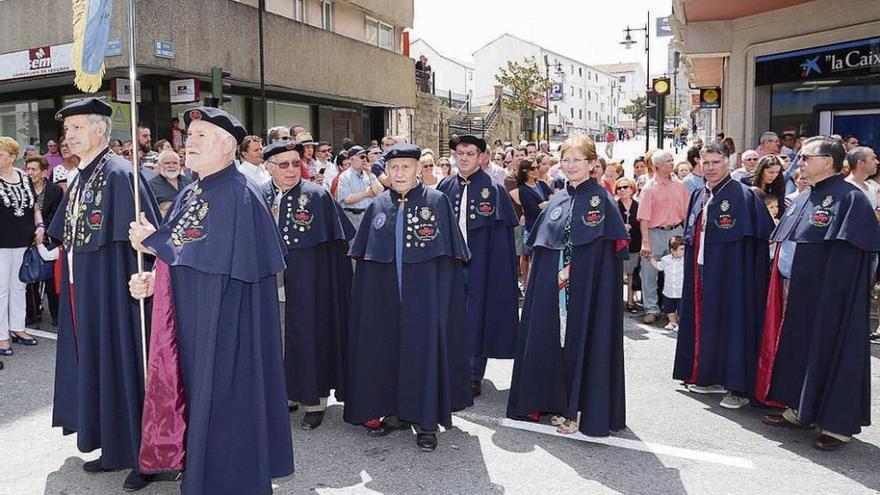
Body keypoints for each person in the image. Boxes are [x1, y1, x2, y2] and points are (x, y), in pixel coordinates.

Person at [127, 106, 294, 492]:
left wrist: (155, 242)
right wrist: (154, 278)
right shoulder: (193, 189)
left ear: (228, 146)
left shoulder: (240, 194)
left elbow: (213, 263)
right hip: (192, 321)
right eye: (190, 136)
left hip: (224, 325)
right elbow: (185, 256)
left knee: (222, 407)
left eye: (201, 136)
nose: (190, 142)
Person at [47, 98, 160, 491]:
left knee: (127, 366)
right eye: (67, 129)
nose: (69, 135)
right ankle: (113, 446)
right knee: (100, 366)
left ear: (100, 130)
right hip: (85, 292)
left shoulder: (120, 174)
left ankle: (146, 456)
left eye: (77, 127)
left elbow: (149, 238)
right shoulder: (80, 176)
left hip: (118, 292)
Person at [344, 143, 472, 452]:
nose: (400, 173)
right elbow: (366, 263)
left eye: (406, 167)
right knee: (388, 353)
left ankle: (426, 422)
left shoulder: (437, 201)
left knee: (423, 356)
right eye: (395, 168)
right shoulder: (378, 206)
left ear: (418, 169)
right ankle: (396, 411)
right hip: (386, 303)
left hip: (425, 302)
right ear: (386, 171)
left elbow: (450, 261)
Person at [756, 136, 880, 450]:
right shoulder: (807, 196)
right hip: (805, 291)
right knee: (800, 345)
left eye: (806, 158)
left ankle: (837, 425)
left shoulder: (852, 198)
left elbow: (855, 254)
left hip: (835, 297)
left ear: (828, 160)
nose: (800, 163)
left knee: (834, 351)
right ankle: (800, 409)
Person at [507, 134, 628, 435]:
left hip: (585, 293)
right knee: (556, 345)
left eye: (577, 160)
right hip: (555, 292)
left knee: (582, 344)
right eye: (566, 160)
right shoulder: (559, 196)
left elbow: (604, 254)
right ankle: (559, 404)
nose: (570, 165)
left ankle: (579, 411)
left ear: (592, 164)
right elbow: (543, 244)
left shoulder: (603, 200)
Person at [259, 140, 354, 431]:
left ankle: (314, 402)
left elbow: (336, 246)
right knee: (277, 339)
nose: (290, 169)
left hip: (309, 283)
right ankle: (287, 394)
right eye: (283, 164)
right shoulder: (258, 195)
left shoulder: (317, 195)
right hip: (268, 282)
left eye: (294, 163)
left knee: (309, 338)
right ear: (268, 167)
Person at [673, 142, 775, 409]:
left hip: (733, 276)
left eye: (715, 162)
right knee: (707, 324)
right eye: (705, 163)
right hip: (702, 269)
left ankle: (737, 388)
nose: (710, 168)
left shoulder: (745, 195)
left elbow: (758, 242)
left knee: (733, 326)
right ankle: (708, 375)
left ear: (728, 162)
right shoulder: (698, 195)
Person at [437, 134, 519, 397]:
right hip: (450, 266)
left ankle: (473, 374)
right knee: (450, 316)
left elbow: (503, 239)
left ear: (482, 157)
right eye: (459, 153)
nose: (463, 158)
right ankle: (451, 367)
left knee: (477, 317)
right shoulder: (444, 186)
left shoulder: (493, 189)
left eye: (469, 153)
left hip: (481, 266)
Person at [0, 137, 45, 355]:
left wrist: (41, 226)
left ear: (12, 156)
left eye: (0, 153)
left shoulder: (24, 178)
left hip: (23, 240)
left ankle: (17, 328)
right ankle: (1, 336)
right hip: (1, 243)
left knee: (19, 286)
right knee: (1, 291)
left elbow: (34, 206)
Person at [637, 149, 689, 324]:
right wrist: (646, 243)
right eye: (668, 161)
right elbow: (643, 218)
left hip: (676, 231)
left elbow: (688, 213)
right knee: (649, 273)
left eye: (672, 160)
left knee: (679, 272)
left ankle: (677, 310)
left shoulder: (680, 185)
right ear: (657, 166)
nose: (672, 163)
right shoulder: (649, 188)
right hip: (654, 233)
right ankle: (651, 309)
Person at [24, 155, 63, 327]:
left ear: (44, 172)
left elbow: (57, 215)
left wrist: (44, 231)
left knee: (51, 278)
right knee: (29, 276)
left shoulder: (55, 191)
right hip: (28, 237)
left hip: (50, 237)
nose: (30, 172)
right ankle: (32, 313)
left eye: (34, 169)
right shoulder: (24, 189)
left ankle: (57, 315)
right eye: (28, 169)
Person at [509, 157, 552, 287]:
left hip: (547, 228)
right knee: (532, 258)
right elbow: (533, 210)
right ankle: (532, 286)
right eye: (532, 168)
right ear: (525, 171)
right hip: (533, 228)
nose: (535, 170)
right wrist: (547, 205)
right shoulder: (523, 190)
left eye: (536, 168)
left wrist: (546, 204)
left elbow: (554, 200)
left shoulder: (542, 184)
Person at [336, 145, 383, 230]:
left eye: (365, 157)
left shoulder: (368, 174)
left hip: (369, 215)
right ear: (351, 159)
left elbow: (379, 191)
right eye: (361, 157)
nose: (364, 159)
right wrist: (367, 193)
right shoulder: (345, 176)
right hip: (353, 216)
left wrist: (369, 173)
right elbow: (347, 199)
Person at [648, 236, 685, 331]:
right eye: (681, 249)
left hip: (681, 291)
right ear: (673, 250)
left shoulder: (686, 260)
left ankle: (681, 324)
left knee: (681, 309)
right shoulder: (666, 259)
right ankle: (673, 322)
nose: (684, 251)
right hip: (668, 291)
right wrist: (651, 259)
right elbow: (659, 266)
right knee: (669, 309)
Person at [617, 177, 641, 313]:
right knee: (618, 274)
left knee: (632, 273)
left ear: (632, 189)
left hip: (635, 244)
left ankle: (631, 302)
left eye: (625, 187)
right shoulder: (614, 206)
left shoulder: (638, 205)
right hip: (618, 246)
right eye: (619, 188)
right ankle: (617, 301)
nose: (622, 190)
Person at [148, 149, 194, 218]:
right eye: (167, 163)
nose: (171, 166)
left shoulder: (189, 183)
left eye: (175, 163)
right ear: (159, 165)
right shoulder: (151, 186)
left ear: (179, 165)